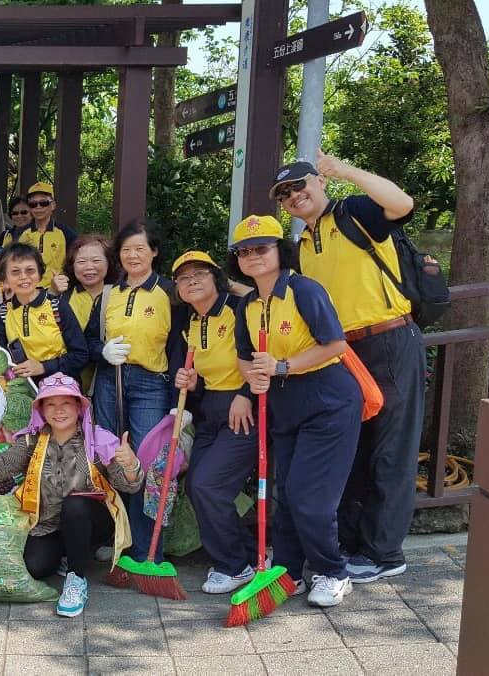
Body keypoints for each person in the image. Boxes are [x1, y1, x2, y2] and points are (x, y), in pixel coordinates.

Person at [272, 153, 425, 585]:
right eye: (284, 195)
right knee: (353, 450)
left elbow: (402, 204)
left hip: (388, 340)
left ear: (318, 183)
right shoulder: (303, 245)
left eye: (299, 185)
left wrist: (344, 170)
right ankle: (354, 545)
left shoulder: (354, 213)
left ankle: (384, 552)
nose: (294, 196)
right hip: (343, 353)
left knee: (390, 450)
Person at [229, 214, 362, 607]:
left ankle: (333, 571)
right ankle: (287, 570)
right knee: (283, 493)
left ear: (279, 251)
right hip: (283, 404)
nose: (253, 256)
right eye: (244, 251)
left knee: (310, 497)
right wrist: (252, 379)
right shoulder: (249, 304)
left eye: (261, 248)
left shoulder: (304, 290)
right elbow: (243, 356)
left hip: (327, 400)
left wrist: (283, 367)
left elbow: (335, 344)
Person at [0, 373, 142, 618]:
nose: (59, 411)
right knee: (35, 567)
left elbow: (130, 487)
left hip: (93, 520)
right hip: (48, 525)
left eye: (66, 403)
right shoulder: (31, 440)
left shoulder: (99, 440)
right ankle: (70, 552)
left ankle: (76, 578)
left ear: (79, 406)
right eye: (51, 404)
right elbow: (0, 471)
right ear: (42, 410)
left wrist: (130, 465)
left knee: (75, 505)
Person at [85, 219, 182, 566]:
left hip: (151, 385)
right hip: (111, 382)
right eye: (126, 249)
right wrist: (103, 351)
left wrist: (175, 403)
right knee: (111, 459)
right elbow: (88, 342)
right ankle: (118, 540)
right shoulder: (110, 294)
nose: (133, 255)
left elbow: (178, 349)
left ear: (154, 252)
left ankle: (146, 548)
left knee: (143, 462)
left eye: (140, 248)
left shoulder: (170, 292)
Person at [170, 251, 258, 595]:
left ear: (216, 278)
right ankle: (248, 556)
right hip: (211, 409)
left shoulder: (240, 311)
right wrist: (193, 384)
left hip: (242, 409)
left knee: (208, 485)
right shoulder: (189, 322)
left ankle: (233, 566)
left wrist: (246, 393)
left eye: (200, 274)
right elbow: (206, 374)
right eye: (183, 277)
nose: (191, 281)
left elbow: (263, 357)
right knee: (196, 486)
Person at [0, 243, 88, 381]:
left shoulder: (56, 306)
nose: (23, 276)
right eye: (15, 272)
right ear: (5, 278)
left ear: (40, 274)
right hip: (23, 389)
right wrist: (12, 378)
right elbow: (2, 359)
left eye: (30, 270)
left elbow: (81, 355)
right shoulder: (2, 312)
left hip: (60, 387)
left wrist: (44, 367)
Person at [52, 234, 117, 393]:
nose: (89, 267)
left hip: (111, 381)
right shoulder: (64, 298)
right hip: (70, 382)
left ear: (109, 262)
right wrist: (52, 294)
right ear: (72, 266)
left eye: (96, 261)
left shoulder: (120, 295)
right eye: (81, 262)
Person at [2, 182, 77, 289]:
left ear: (53, 205)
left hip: (57, 291)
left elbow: (76, 262)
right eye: (33, 204)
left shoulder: (65, 233)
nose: (38, 207)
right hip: (29, 291)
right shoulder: (23, 234)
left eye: (43, 203)